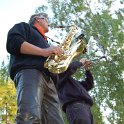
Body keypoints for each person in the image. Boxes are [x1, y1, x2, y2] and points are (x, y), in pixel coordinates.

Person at [6, 13, 65, 124]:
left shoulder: (47, 42)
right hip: (30, 72)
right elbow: (13, 42)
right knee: (29, 117)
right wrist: (43, 52)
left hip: (49, 81)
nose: (48, 22)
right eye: (46, 19)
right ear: (37, 19)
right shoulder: (24, 27)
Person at [51, 58, 94, 124]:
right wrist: (80, 63)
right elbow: (69, 69)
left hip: (84, 108)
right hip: (76, 107)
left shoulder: (72, 82)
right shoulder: (58, 76)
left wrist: (87, 70)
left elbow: (89, 84)